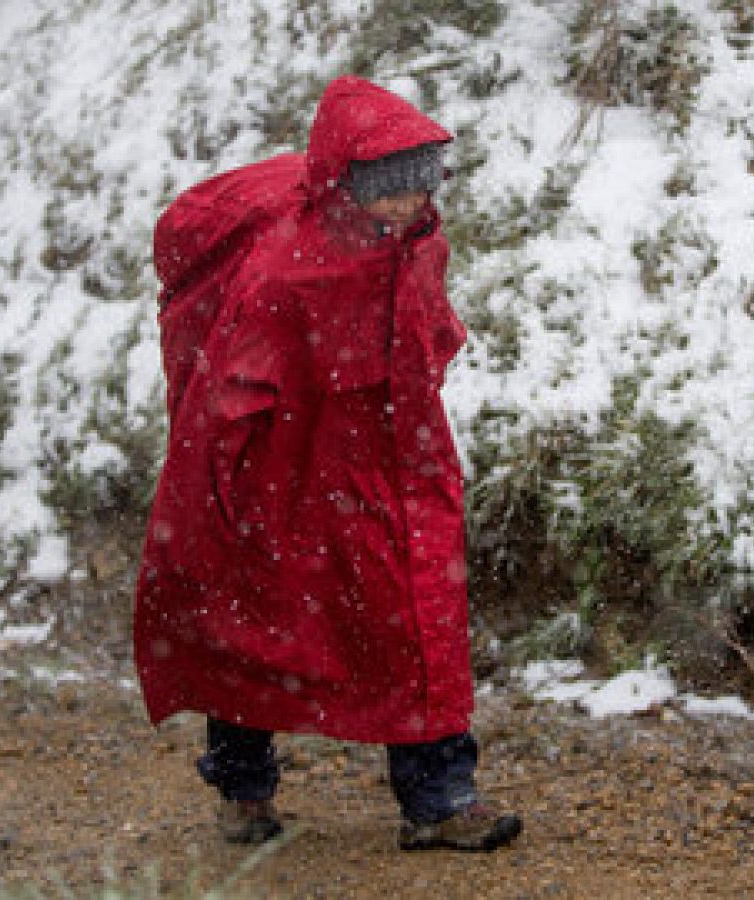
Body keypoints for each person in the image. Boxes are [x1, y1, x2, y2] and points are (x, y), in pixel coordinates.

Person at [134, 75, 522, 853]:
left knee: (421, 623)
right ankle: (243, 790)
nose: (409, 204)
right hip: (293, 473)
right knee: (258, 624)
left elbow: (430, 331)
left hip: (398, 466)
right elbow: (233, 387)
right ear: (347, 184)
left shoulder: (421, 243)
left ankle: (441, 798)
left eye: (419, 186)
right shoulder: (286, 270)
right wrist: (228, 493)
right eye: (388, 189)